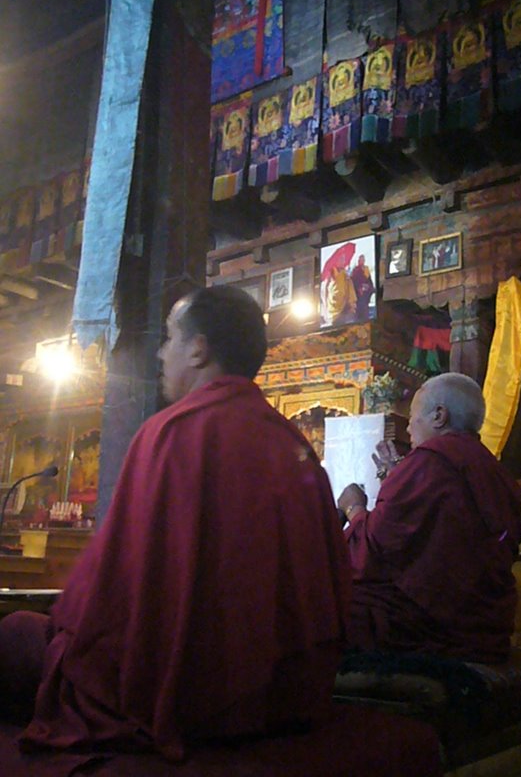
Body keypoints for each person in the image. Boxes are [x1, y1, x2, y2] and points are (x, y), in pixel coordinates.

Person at [0, 286, 351, 760]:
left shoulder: (174, 431)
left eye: (169, 338)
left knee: (18, 630)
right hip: (280, 697)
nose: (162, 354)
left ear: (199, 347)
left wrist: (65, 622)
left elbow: (113, 594)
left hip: (181, 693)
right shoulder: (297, 447)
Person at [337, 373, 521, 664]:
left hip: (429, 629)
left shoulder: (431, 459)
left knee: (316, 604)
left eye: (412, 417)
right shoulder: (494, 470)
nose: (409, 427)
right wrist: (397, 477)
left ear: (439, 415)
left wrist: (353, 508)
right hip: (487, 629)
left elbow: (371, 555)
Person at [350, 255, 375, 321]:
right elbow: (353, 281)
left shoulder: (366, 269)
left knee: (365, 314)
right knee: (358, 315)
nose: (361, 261)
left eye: (362, 260)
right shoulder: (355, 270)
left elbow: (369, 281)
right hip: (358, 295)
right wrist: (359, 287)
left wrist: (369, 287)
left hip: (365, 294)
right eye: (360, 260)